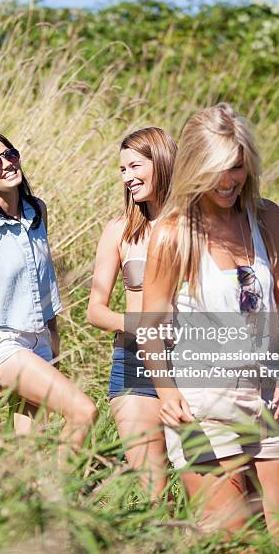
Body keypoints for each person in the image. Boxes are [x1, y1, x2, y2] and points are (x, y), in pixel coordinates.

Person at [139, 103, 279, 548]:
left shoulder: (266, 218)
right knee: (231, 537)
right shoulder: (173, 233)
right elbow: (150, 323)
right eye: (216, 169)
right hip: (202, 401)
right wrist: (166, 389)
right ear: (195, 165)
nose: (229, 181)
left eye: (236, 167)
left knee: (278, 539)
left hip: (265, 395)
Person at [0, 132, 98, 458]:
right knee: (83, 412)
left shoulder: (37, 212)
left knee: (29, 451)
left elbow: (43, 284)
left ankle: (25, 502)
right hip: (1, 345)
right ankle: (60, 504)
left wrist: (54, 346)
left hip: (39, 341)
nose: (7, 164)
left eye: (10, 154)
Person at [87, 127, 177, 499]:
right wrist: (143, 327)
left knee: (213, 486)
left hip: (195, 360)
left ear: (161, 161)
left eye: (135, 166)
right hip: (134, 362)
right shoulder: (119, 231)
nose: (127, 178)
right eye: (122, 170)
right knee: (154, 493)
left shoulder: (195, 225)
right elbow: (96, 310)